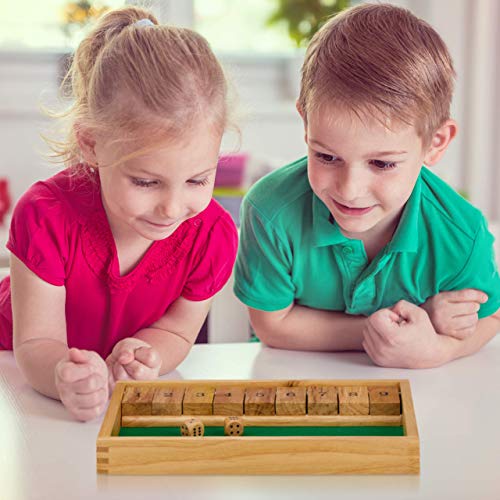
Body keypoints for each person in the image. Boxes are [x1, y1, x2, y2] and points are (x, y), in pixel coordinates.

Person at [0, 7, 238, 421]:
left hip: (104, 400)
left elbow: (178, 331)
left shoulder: (212, 236)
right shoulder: (45, 216)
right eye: (146, 182)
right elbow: (35, 342)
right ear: (91, 143)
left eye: (198, 180)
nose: (172, 207)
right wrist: (61, 374)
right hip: (16, 379)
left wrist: (148, 354)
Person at [234, 3, 500, 369]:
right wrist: (408, 322)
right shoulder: (270, 210)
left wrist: (438, 349)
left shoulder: (461, 233)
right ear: (305, 122)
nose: (349, 189)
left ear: (435, 142)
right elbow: (272, 325)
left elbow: (491, 317)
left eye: (382, 163)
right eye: (326, 156)